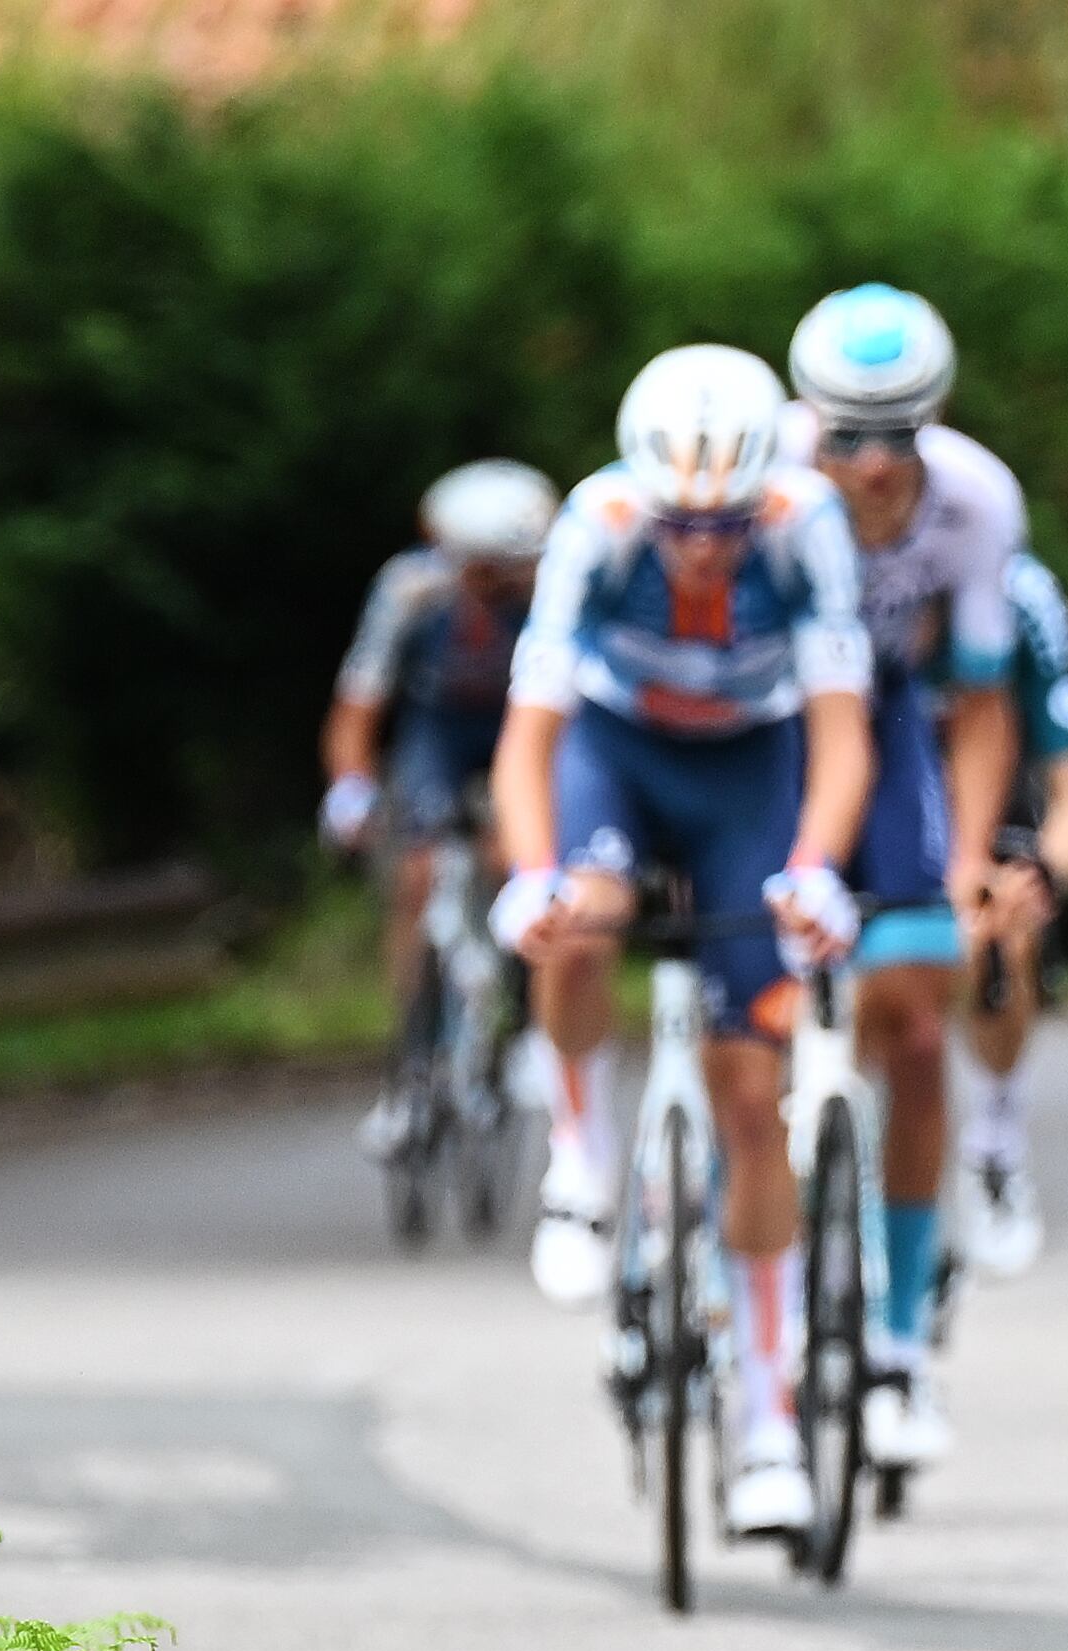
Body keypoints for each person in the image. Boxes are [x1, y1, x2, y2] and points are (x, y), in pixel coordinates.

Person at [491, 344, 873, 1540]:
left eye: (726, 523)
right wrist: (529, 877)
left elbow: (843, 732)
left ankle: (768, 1418)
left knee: (753, 1102)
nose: (703, 545)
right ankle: (579, 1163)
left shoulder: (808, 524)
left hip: (752, 772)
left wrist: (814, 871)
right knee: (580, 922)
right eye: (681, 524)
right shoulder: (596, 525)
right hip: (622, 754)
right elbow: (529, 741)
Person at [782, 283, 1023, 1474]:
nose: (873, 467)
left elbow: (979, 704)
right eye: (846, 437)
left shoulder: (976, 505)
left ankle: (896, 1344)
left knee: (922, 1022)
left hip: (893, 723)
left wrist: (972, 858)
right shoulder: (760, 477)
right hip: (763, 720)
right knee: (748, 1006)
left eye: (900, 437)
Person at [323, 458, 552, 1163]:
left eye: (506, 569)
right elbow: (359, 703)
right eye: (479, 569)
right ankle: (411, 1059)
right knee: (417, 878)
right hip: (437, 734)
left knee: (517, 859)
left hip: (518, 728)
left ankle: (524, 1022)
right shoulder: (410, 590)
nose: (493, 584)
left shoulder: (548, 590)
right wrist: (352, 785)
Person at [951, 545, 1068, 1277]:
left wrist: (1045, 875)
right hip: (854, 770)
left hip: (984, 788)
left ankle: (993, 1138)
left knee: (1000, 926)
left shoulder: (1019, 591)